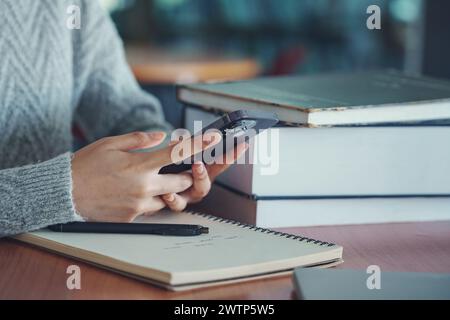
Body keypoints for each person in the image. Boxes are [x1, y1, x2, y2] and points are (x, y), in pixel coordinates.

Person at [0, 0, 246, 237]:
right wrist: (67, 190)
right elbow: (73, 189)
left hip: (59, 250)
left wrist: (168, 171)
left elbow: (127, 114)